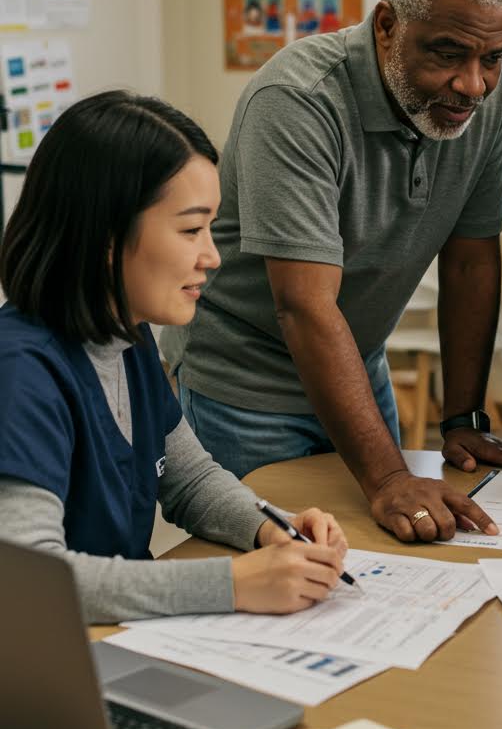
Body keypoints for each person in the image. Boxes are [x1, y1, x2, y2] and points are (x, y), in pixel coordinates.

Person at [162, 0, 502, 544]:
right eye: (446, 54)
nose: (472, 85)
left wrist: (460, 418)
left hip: (356, 361)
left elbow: (469, 263)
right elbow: (303, 303)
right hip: (248, 381)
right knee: (282, 572)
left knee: (392, 554)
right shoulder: (298, 100)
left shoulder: (485, 99)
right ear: (386, 25)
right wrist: (386, 476)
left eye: (492, 58)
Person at [0, 91, 348, 624]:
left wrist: (275, 528)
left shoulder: (128, 336)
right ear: (107, 238)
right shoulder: (21, 372)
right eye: (191, 229)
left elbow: (190, 481)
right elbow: (28, 583)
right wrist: (231, 584)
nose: (212, 256)